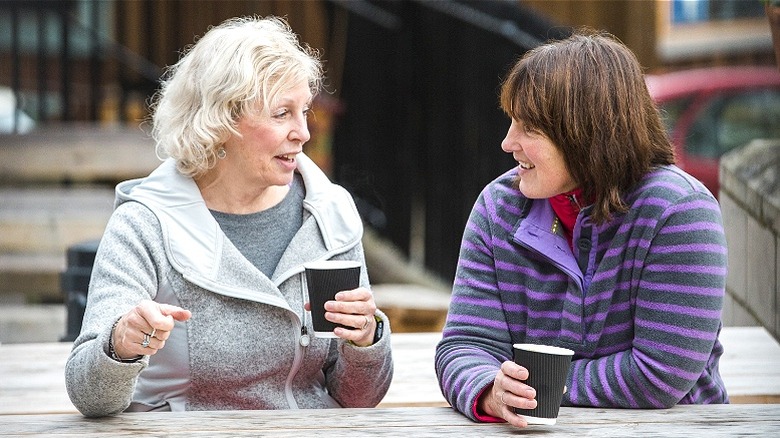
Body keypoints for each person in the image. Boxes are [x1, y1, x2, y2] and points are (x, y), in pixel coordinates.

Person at [65, 15, 392, 417]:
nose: (304, 132)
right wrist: (120, 345)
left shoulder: (328, 213)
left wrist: (365, 340)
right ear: (220, 121)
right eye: (281, 113)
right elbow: (89, 393)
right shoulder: (146, 223)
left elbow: (358, 398)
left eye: (304, 110)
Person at [434, 29, 728, 428]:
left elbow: (658, 375)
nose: (507, 143)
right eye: (511, 123)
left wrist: (539, 384)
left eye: (530, 129)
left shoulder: (678, 212)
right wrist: (489, 388)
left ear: (586, 134)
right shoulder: (498, 206)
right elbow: (465, 344)